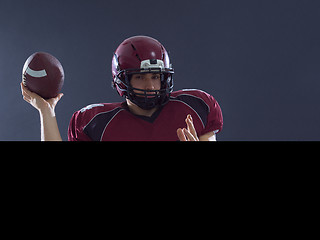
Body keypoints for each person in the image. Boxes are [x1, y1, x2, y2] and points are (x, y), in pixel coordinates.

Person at [21, 35, 223, 141]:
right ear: (122, 79)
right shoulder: (95, 123)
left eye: (155, 76)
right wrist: (47, 112)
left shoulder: (196, 107)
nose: (151, 86)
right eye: (140, 77)